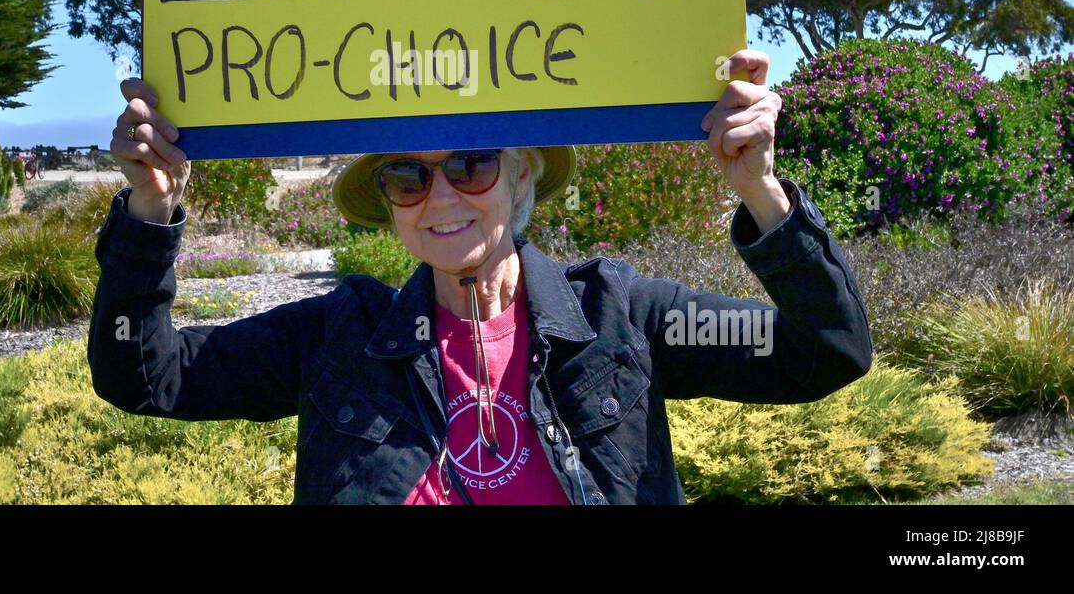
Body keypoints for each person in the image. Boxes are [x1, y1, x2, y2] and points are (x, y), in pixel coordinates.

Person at [88, 49, 873, 504]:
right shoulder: (339, 336)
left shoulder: (617, 315)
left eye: (469, 165)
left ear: (521, 175)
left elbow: (828, 349)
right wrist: (149, 210)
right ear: (390, 204)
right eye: (407, 176)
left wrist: (760, 192)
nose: (440, 198)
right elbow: (145, 378)